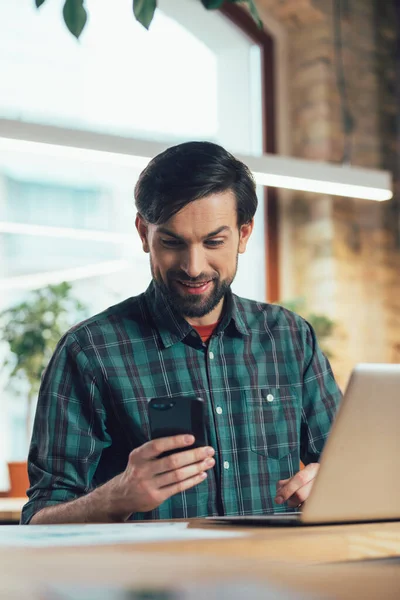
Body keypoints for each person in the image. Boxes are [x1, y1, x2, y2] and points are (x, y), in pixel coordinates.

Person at [21, 141, 342, 524]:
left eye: (214, 242)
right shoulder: (89, 351)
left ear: (244, 234)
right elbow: (37, 521)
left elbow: (351, 468)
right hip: (151, 581)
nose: (193, 267)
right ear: (144, 233)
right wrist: (116, 497)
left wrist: (332, 482)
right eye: (172, 242)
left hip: (279, 576)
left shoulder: (290, 338)